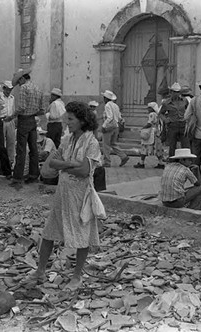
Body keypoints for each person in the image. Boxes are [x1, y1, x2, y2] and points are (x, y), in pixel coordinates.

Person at [27, 101, 101, 290]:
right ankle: (40, 271)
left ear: (82, 120)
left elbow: (85, 171)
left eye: (71, 119)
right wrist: (71, 164)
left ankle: (77, 276)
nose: (67, 122)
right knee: (49, 232)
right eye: (66, 118)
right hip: (62, 193)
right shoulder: (67, 140)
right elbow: (51, 164)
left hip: (80, 195)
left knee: (81, 235)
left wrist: (66, 164)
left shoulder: (91, 142)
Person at [11, 68, 45, 186]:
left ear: (22, 78)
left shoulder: (24, 88)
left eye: (18, 82)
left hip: (24, 120)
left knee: (21, 149)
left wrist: (11, 116)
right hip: (33, 120)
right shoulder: (38, 89)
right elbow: (42, 110)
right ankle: (33, 175)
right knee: (33, 149)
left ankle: (18, 177)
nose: (18, 85)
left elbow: (21, 107)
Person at [159, 82, 190, 156]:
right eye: (175, 92)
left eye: (178, 92)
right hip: (172, 125)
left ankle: (185, 161)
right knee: (172, 145)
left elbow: (189, 110)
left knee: (185, 145)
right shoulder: (166, 103)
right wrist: (166, 120)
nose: (176, 94)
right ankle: (172, 161)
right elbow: (160, 113)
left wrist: (187, 119)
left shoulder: (184, 101)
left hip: (183, 124)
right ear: (171, 92)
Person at [101, 90, 129, 167]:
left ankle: (107, 161)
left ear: (106, 98)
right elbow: (120, 117)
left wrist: (104, 126)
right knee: (113, 143)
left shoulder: (107, 105)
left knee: (106, 145)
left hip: (109, 127)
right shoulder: (116, 106)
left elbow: (110, 117)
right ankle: (123, 156)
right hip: (116, 126)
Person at [134, 102, 164, 168]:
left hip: (151, 134)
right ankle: (160, 163)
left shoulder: (151, 114)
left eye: (149, 108)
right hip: (156, 133)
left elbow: (149, 123)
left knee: (144, 147)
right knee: (157, 148)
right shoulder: (157, 114)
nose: (148, 109)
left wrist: (142, 128)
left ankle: (142, 162)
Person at [1, 81, 16, 166]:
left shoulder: (12, 98)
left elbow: (13, 109)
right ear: (4, 88)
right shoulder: (0, 97)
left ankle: (10, 161)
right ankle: (2, 162)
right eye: (7, 89)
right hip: (2, 120)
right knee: (1, 142)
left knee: (11, 141)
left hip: (10, 120)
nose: (9, 91)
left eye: (10, 89)